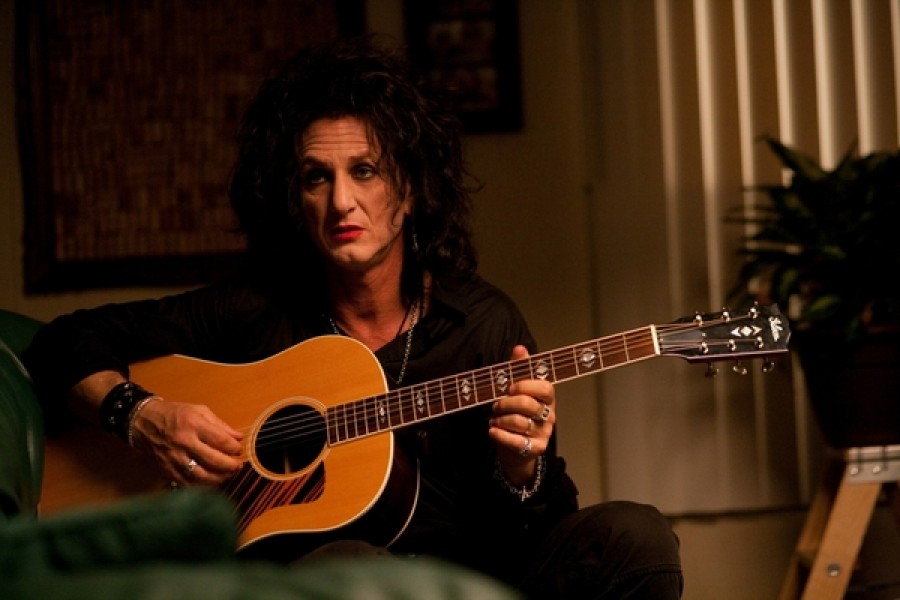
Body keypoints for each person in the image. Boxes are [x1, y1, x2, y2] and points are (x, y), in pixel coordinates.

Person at [23, 37, 683, 598]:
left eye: (364, 170)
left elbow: (545, 527)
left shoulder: (482, 322)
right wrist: (142, 417)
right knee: (352, 570)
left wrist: (522, 472)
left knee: (636, 536)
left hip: (471, 577)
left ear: (411, 188)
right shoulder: (254, 312)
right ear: (296, 197)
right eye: (316, 177)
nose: (341, 200)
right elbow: (60, 343)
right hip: (331, 585)